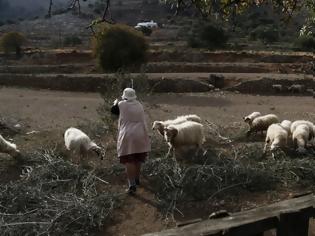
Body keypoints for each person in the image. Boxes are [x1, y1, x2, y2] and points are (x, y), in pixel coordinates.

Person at [111, 88, 151, 194]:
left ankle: (132, 185)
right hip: (141, 134)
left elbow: (113, 111)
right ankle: (137, 180)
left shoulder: (121, 104)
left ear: (124, 96)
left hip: (128, 135)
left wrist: (115, 102)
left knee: (129, 159)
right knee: (138, 158)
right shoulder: (139, 105)